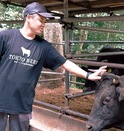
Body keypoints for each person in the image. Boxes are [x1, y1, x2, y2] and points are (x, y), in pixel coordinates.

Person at [0, 2, 107, 131]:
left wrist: (88, 75)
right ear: (28, 18)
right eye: (41, 20)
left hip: (22, 105)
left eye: (45, 21)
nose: (43, 25)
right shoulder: (6, 37)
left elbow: (65, 63)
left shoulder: (43, 47)